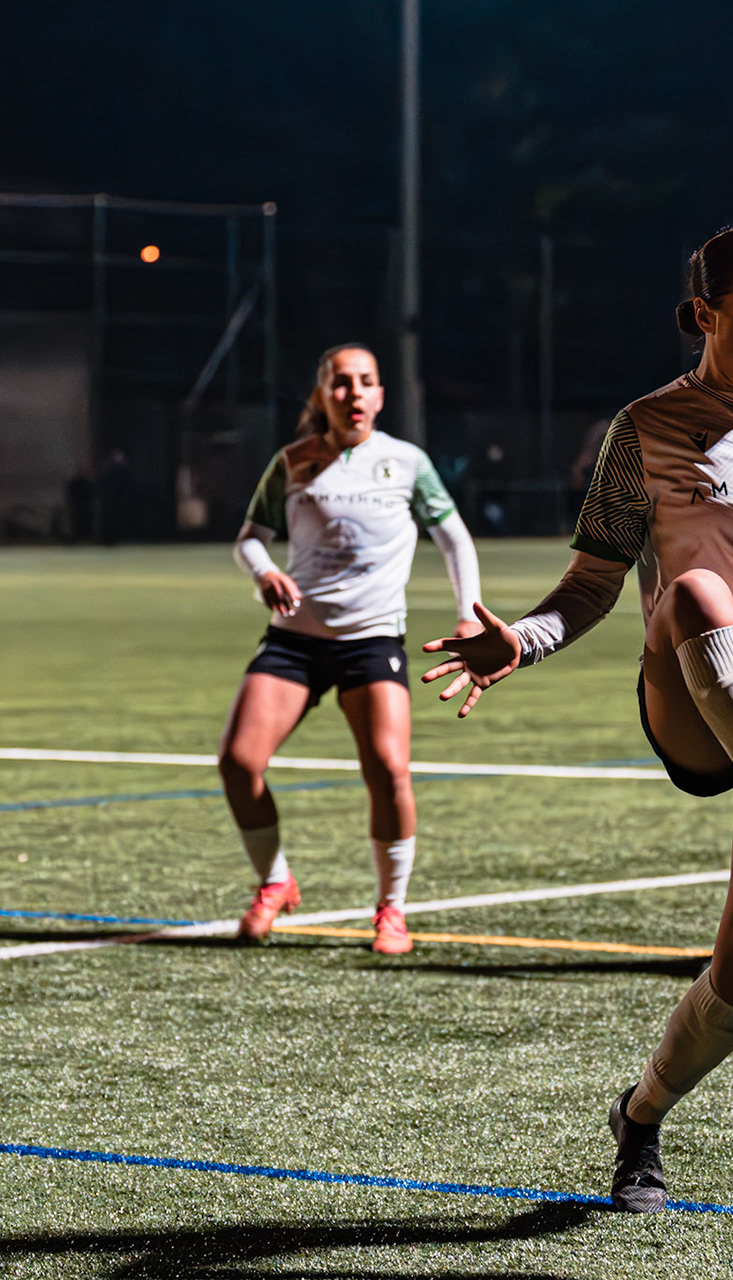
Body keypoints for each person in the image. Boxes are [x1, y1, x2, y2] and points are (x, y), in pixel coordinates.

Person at [420, 224, 733, 1211]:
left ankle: (640, 1115)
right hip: (694, 697)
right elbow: (594, 579)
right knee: (692, 597)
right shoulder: (646, 428)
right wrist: (527, 639)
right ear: (703, 315)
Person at [220, 343, 482, 955]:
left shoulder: (406, 462)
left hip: (371, 641)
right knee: (238, 762)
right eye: (341, 383)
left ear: (380, 395)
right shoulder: (294, 461)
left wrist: (470, 616)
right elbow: (249, 540)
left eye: (366, 382)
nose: (354, 393)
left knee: (388, 770)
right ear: (323, 395)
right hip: (295, 641)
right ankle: (275, 881)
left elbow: (455, 542)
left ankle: (391, 910)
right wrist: (262, 573)